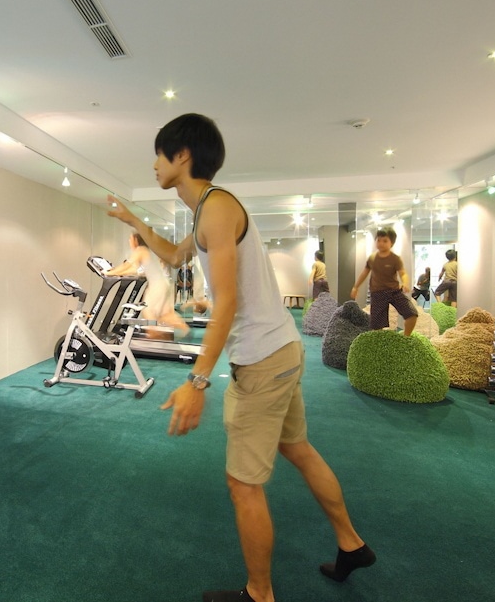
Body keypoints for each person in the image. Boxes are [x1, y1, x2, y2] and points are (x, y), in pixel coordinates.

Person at [107, 113, 374, 602]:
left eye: (159, 155)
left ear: (182, 155)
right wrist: (134, 222)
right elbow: (176, 256)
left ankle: (259, 594)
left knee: (243, 484)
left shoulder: (216, 208)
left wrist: (197, 381)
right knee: (298, 449)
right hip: (282, 349)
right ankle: (351, 544)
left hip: (262, 360)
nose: (154, 165)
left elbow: (226, 302)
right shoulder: (208, 210)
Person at [106, 233, 188, 337]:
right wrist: (116, 272)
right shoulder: (148, 251)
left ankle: (155, 339)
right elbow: (133, 269)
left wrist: (109, 272)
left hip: (157, 285)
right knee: (166, 314)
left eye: (130, 239)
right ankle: (186, 331)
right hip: (164, 282)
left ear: (136, 240)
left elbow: (126, 265)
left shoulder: (140, 250)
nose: (129, 241)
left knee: (148, 312)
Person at [350, 227, 418, 337]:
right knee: (377, 326)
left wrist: (405, 283)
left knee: (412, 314)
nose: (381, 243)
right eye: (379, 240)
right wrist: (356, 287)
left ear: (392, 243)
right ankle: (379, 342)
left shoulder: (395, 259)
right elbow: (364, 273)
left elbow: (403, 273)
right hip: (378, 293)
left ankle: (406, 338)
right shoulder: (372, 258)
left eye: (385, 241)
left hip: (394, 291)